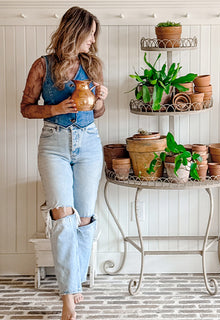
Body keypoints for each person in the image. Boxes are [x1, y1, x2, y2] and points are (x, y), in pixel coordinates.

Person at [20, 7, 108, 320]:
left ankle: (73, 283)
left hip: (89, 143)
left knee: (84, 219)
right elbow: (26, 108)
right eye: (90, 33)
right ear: (75, 32)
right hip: (54, 144)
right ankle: (68, 296)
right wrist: (55, 108)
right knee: (62, 216)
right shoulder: (42, 66)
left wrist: (100, 100)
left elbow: (97, 112)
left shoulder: (91, 65)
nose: (93, 40)